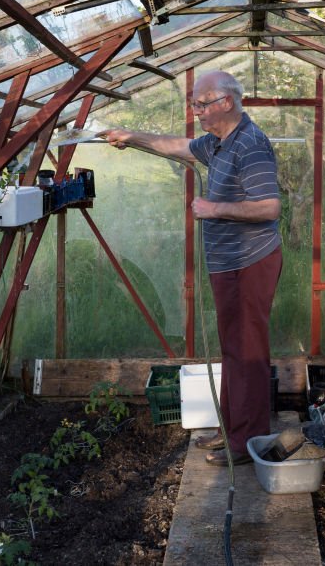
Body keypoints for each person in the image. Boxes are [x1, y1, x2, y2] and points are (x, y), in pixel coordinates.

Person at [99, 71, 282, 466]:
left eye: (202, 104)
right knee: (233, 347)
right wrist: (132, 137)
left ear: (227, 102)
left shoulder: (250, 144)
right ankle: (233, 428)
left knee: (248, 350)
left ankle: (246, 443)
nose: (196, 111)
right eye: (194, 104)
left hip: (249, 261)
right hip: (229, 263)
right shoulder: (218, 142)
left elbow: (270, 207)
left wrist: (214, 208)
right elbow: (179, 146)